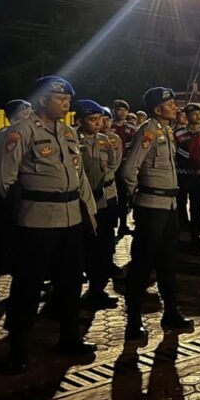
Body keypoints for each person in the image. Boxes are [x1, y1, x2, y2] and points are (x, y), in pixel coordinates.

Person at [0, 77, 98, 373]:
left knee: (70, 283)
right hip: (37, 221)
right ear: (42, 100)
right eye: (59, 99)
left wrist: (90, 214)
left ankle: (69, 337)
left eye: (68, 99)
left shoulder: (68, 132)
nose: (66, 104)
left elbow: (79, 177)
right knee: (27, 286)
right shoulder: (21, 131)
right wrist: (15, 217)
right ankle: (18, 349)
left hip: (70, 219)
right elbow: (4, 179)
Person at [121, 87, 193, 340]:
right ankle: (133, 319)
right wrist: (137, 196)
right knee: (142, 264)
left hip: (169, 205)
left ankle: (171, 312)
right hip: (151, 206)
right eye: (170, 104)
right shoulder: (148, 131)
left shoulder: (167, 131)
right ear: (157, 109)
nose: (175, 107)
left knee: (168, 262)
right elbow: (129, 170)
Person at [74, 99, 120, 310]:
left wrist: (105, 181)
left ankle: (97, 290)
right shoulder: (72, 139)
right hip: (78, 203)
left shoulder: (105, 141)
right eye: (92, 119)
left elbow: (112, 163)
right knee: (79, 249)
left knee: (102, 248)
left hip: (101, 200)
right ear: (80, 121)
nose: (97, 123)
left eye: (99, 119)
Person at [0, 99, 32, 296]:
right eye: (24, 111)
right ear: (13, 116)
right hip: (11, 195)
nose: (29, 114)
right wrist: (10, 202)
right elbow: (5, 176)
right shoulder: (10, 135)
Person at [175, 104, 200, 250]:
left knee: (196, 207)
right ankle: (180, 235)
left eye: (199, 113)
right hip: (183, 175)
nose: (197, 116)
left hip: (199, 176)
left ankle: (196, 237)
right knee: (180, 206)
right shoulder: (178, 134)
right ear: (187, 116)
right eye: (193, 114)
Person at [99, 107, 125, 278]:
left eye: (108, 119)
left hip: (108, 190)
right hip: (89, 193)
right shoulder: (80, 137)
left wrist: (103, 178)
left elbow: (116, 163)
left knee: (108, 231)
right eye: (102, 118)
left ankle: (107, 262)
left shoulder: (114, 139)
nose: (105, 122)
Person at [111, 99, 138, 239]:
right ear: (114, 111)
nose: (122, 113)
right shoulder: (108, 126)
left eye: (125, 110)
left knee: (124, 197)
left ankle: (123, 225)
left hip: (126, 166)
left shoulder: (133, 129)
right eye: (119, 109)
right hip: (111, 168)